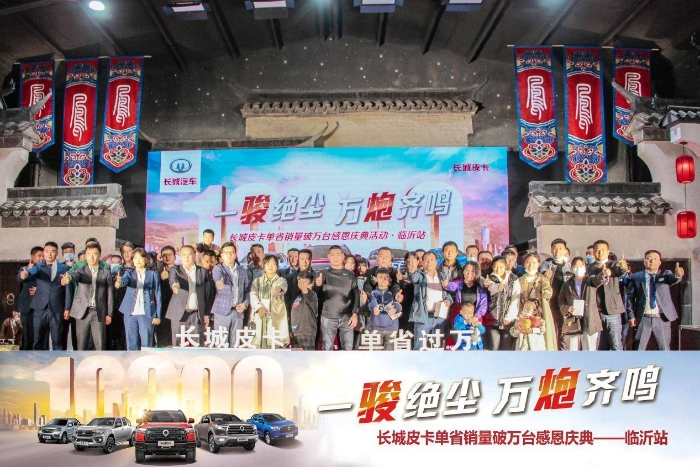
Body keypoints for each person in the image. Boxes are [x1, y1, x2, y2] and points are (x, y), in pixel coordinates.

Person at [626, 250, 684, 351]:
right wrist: (631, 316)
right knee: (638, 349)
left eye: (655, 259)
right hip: (643, 318)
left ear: (660, 262)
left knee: (664, 348)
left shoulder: (665, 274)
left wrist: (678, 275)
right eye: (649, 259)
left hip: (662, 318)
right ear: (644, 261)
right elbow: (630, 299)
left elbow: (674, 279)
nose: (652, 261)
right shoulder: (636, 277)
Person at [62, 242, 113, 351]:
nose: (91, 257)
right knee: (81, 344)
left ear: (99, 255)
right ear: (85, 256)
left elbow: (109, 294)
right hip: (82, 312)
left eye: (94, 254)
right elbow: (75, 275)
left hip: (99, 312)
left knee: (100, 345)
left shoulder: (106, 272)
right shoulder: (81, 270)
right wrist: (69, 277)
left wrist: (109, 314)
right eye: (89, 254)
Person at [20, 241, 70, 350]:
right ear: (44, 252)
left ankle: (58, 360)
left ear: (57, 253)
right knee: (38, 340)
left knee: (57, 341)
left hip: (57, 308)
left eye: (52, 252)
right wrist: (26, 273)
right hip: (40, 309)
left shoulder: (64, 268)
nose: (49, 254)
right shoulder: (39, 266)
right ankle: (38, 360)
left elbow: (68, 290)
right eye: (47, 251)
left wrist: (67, 308)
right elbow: (32, 271)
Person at [505, 253, 557, 350]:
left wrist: (546, 293)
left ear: (538, 264)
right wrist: (510, 316)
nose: (531, 265)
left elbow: (548, 290)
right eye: (528, 262)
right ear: (524, 264)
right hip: (524, 313)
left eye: (534, 262)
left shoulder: (543, 279)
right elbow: (515, 300)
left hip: (540, 314)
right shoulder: (519, 281)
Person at [557, 256, 609, 351]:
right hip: (573, 320)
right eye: (575, 266)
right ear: (572, 268)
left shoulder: (590, 280)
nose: (578, 268)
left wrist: (603, 274)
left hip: (589, 319)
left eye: (581, 265)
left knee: (589, 349)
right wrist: (567, 308)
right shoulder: (567, 284)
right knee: (573, 349)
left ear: (585, 267)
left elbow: (598, 280)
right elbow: (561, 301)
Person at [315, 245, 360, 351]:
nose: (335, 257)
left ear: (343, 256)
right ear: (328, 257)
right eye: (332, 255)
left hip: (347, 317)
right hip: (328, 316)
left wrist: (355, 313)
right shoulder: (323, 273)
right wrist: (317, 285)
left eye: (338, 255)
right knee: (327, 348)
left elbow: (355, 295)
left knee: (347, 349)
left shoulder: (350, 275)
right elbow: (317, 295)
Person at [166, 245, 213, 347]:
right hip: (179, 313)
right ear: (180, 256)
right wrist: (175, 286)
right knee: (177, 344)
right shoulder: (175, 270)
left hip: (197, 314)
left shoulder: (203, 271)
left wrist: (206, 314)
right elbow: (173, 280)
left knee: (197, 345)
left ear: (195, 255)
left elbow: (207, 294)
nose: (186, 257)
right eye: (184, 255)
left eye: (189, 254)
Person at [115, 248, 162, 350]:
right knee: (131, 342)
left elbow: (158, 295)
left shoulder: (153, 275)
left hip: (147, 313)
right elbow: (124, 281)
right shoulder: (129, 274)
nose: (138, 260)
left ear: (146, 260)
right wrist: (120, 282)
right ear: (132, 260)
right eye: (135, 258)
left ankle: (146, 360)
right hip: (130, 313)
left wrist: (157, 315)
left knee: (147, 342)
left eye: (140, 258)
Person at [406, 251, 452, 350]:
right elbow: (413, 278)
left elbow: (449, 293)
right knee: (420, 347)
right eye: (426, 260)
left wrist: (448, 299)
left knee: (437, 348)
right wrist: (411, 271)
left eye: (431, 259)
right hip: (423, 317)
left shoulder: (442, 276)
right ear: (422, 262)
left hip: (439, 318)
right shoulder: (420, 275)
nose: (429, 262)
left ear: (436, 262)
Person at [587, 240, 628, 351]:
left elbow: (620, 271)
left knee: (616, 345)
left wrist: (623, 268)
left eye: (603, 250)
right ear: (593, 252)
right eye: (597, 250)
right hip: (595, 312)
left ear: (608, 252)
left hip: (612, 311)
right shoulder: (588, 268)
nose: (600, 252)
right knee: (599, 346)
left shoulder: (613, 264)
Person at [211, 242, 250, 348]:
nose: (229, 255)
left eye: (232, 252)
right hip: (222, 311)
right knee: (221, 343)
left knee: (236, 344)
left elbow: (247, 291)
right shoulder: (218, 268)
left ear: (235, 255)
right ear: (222, 255)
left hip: (238, 312)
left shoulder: (243, 271)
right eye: (226, 252)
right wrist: (219, 284)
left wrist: (245, 304)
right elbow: (218, 279)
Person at [250, 254, 289, 348]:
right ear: (263, 266)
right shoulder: (257, 281)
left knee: (274, 341)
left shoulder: (281, 280)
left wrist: (278, 290)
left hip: (275, 315)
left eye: (273, 264)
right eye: (268, 264)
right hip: (261, 314)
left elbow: (282, 286)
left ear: (277, 266)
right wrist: (259, 307)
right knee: (259, 341)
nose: (270, 266)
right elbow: (253, 294)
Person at [540, 238, 572, 349]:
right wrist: (545, 275)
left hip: (564, 304)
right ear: (551, 250)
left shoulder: (569, 266)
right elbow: (541, 277)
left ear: (565, 250)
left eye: (560, 248)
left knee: (564, 332)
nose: (557, 251)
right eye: (554, 248)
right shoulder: (546, 264)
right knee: (551, 330)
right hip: (551, 303)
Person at [483, 255, 517, 351]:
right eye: (495, 267)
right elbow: (490, 288)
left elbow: (515, 299)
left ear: (505, 266)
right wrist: (494, 287)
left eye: (501, 267)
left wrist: (509, 317)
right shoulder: (489, 279)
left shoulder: (513, 279)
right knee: (494, 347)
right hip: (493, 319)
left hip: (508, 320)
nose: (498, 269)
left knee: (506, 348)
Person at [367, 268, 402, 350]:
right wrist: (374, 308)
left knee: (390, 354)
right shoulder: (373, 293)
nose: (383, 279)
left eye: (386, 277)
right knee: (376, 353)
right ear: (376, 279)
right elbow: (372, 302)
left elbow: (398, 304)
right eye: (380, 277)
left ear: (389, 280)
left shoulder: (393, 293)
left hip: (391, 327)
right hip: (376, 328)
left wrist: (395, 309)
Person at [17, 246, 43, 350]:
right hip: (26, 307)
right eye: (39, 256)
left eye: (43, 256)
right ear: (32, 257)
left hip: (40, 307)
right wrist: (28, 271)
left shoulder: (45, 270)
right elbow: (19, 278)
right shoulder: (24, 268)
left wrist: (39, 290)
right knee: (27, 336)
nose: (41, 258)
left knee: (39, 335)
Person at [290, 270, 318, 351]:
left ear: (312, 283)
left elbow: (306, 292)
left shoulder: (312, 295)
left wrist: (304, 287)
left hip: (307, 332)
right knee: (297, 357)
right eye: (300, 282)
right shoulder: (299, 297)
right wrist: (292, 330)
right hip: (296, 332)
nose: (302, 284)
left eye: (305, 281)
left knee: (307, 357)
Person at [155, 245, 177, 347]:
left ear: (175, 257)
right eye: (164, 255)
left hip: (177, 308)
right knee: (162, 339)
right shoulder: (157, 272)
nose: (167, 257)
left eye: (170, 254)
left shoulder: (180, 270)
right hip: (162, 308)